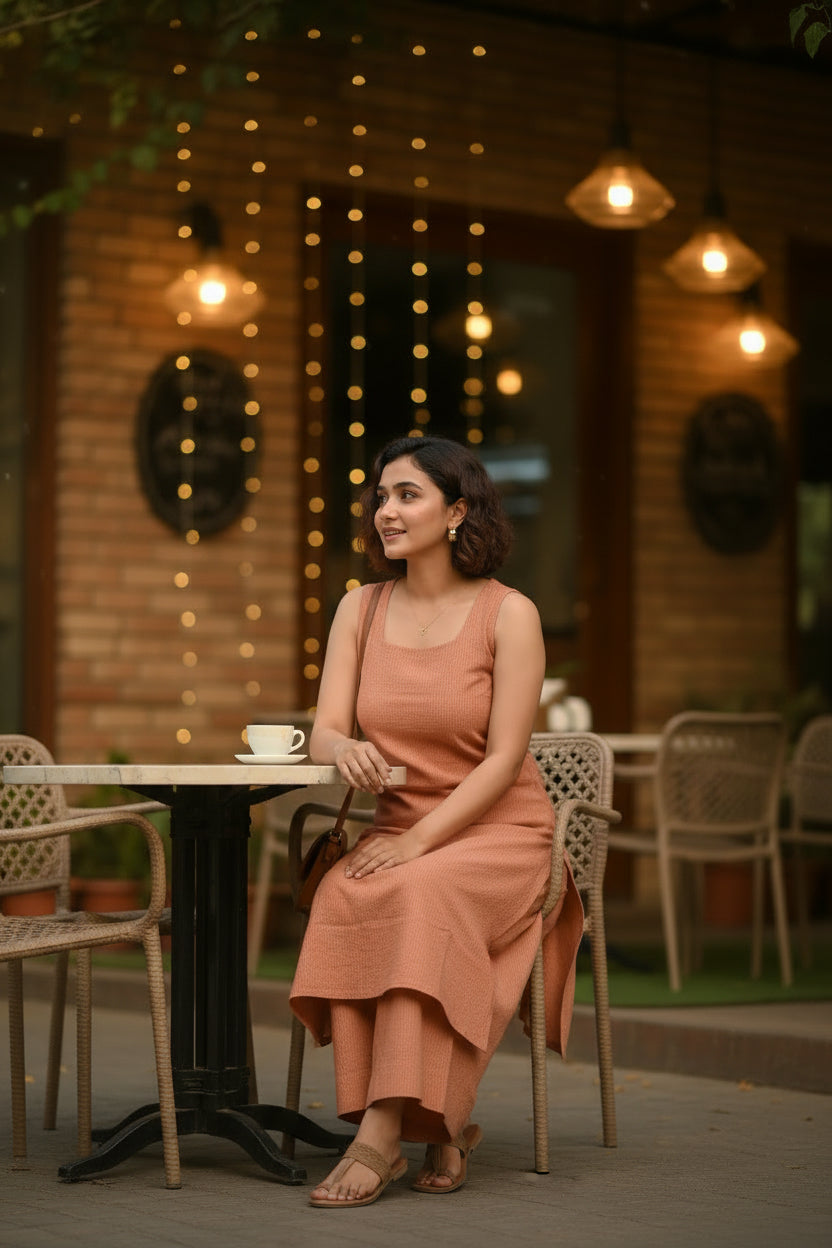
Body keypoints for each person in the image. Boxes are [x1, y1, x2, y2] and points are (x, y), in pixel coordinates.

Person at [289, 434, 583, 1208]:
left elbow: (503, 760)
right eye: (381, 497)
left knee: (418, 897)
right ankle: (437, 1119)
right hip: (402, 832)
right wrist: (344, 745)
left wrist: (420, 843)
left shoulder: (509, 614)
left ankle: (379, 1137)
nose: (387, 511)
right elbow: (322, 727)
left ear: (457, 512)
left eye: (407, 495)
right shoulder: (361, 606)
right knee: (346, 895)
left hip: (501, 836)